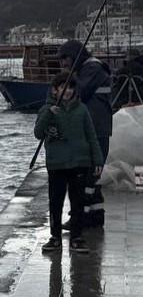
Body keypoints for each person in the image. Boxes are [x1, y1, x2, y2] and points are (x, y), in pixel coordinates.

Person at [35, 71, 104, 254]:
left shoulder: (82, 110)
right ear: (55, 90)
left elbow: (92, 136)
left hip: (80, 162)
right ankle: (55, 237)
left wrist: (97, 160)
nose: (68, 91)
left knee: (78, 202)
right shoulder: (46, 109)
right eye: (63, 87)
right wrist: (49, 114)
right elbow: (38, 133)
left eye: (71, 87)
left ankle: (77, 237)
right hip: (56, 164)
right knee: (55, 202)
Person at [58, 39, 112, 228]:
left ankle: (79, 218)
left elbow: (79, 92)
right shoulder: (86, 70)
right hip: (94, 130)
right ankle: (95, 216)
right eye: (61, 60)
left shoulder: (92, 69)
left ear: (76, 56)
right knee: (91, 178)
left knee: (83, 177)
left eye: (66, 58)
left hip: (96, 131)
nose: (63, 63)